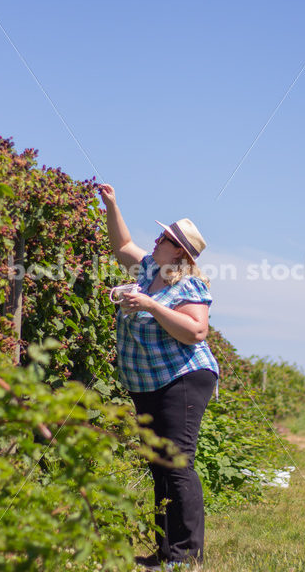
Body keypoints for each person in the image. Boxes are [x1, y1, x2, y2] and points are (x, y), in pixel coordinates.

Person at [98, 184, 220, 570]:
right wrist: (112, 204)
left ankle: (186, 557)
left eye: (165, 237)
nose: (157, 238)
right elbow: (122, 245)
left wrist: (150, 303)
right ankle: (166, 552)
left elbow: (196, 332)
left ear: (179, 251)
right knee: (159, 462)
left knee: (177, 461)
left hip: (184, 377)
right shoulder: (149, 268)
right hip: (148, 381)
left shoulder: (188, 285)